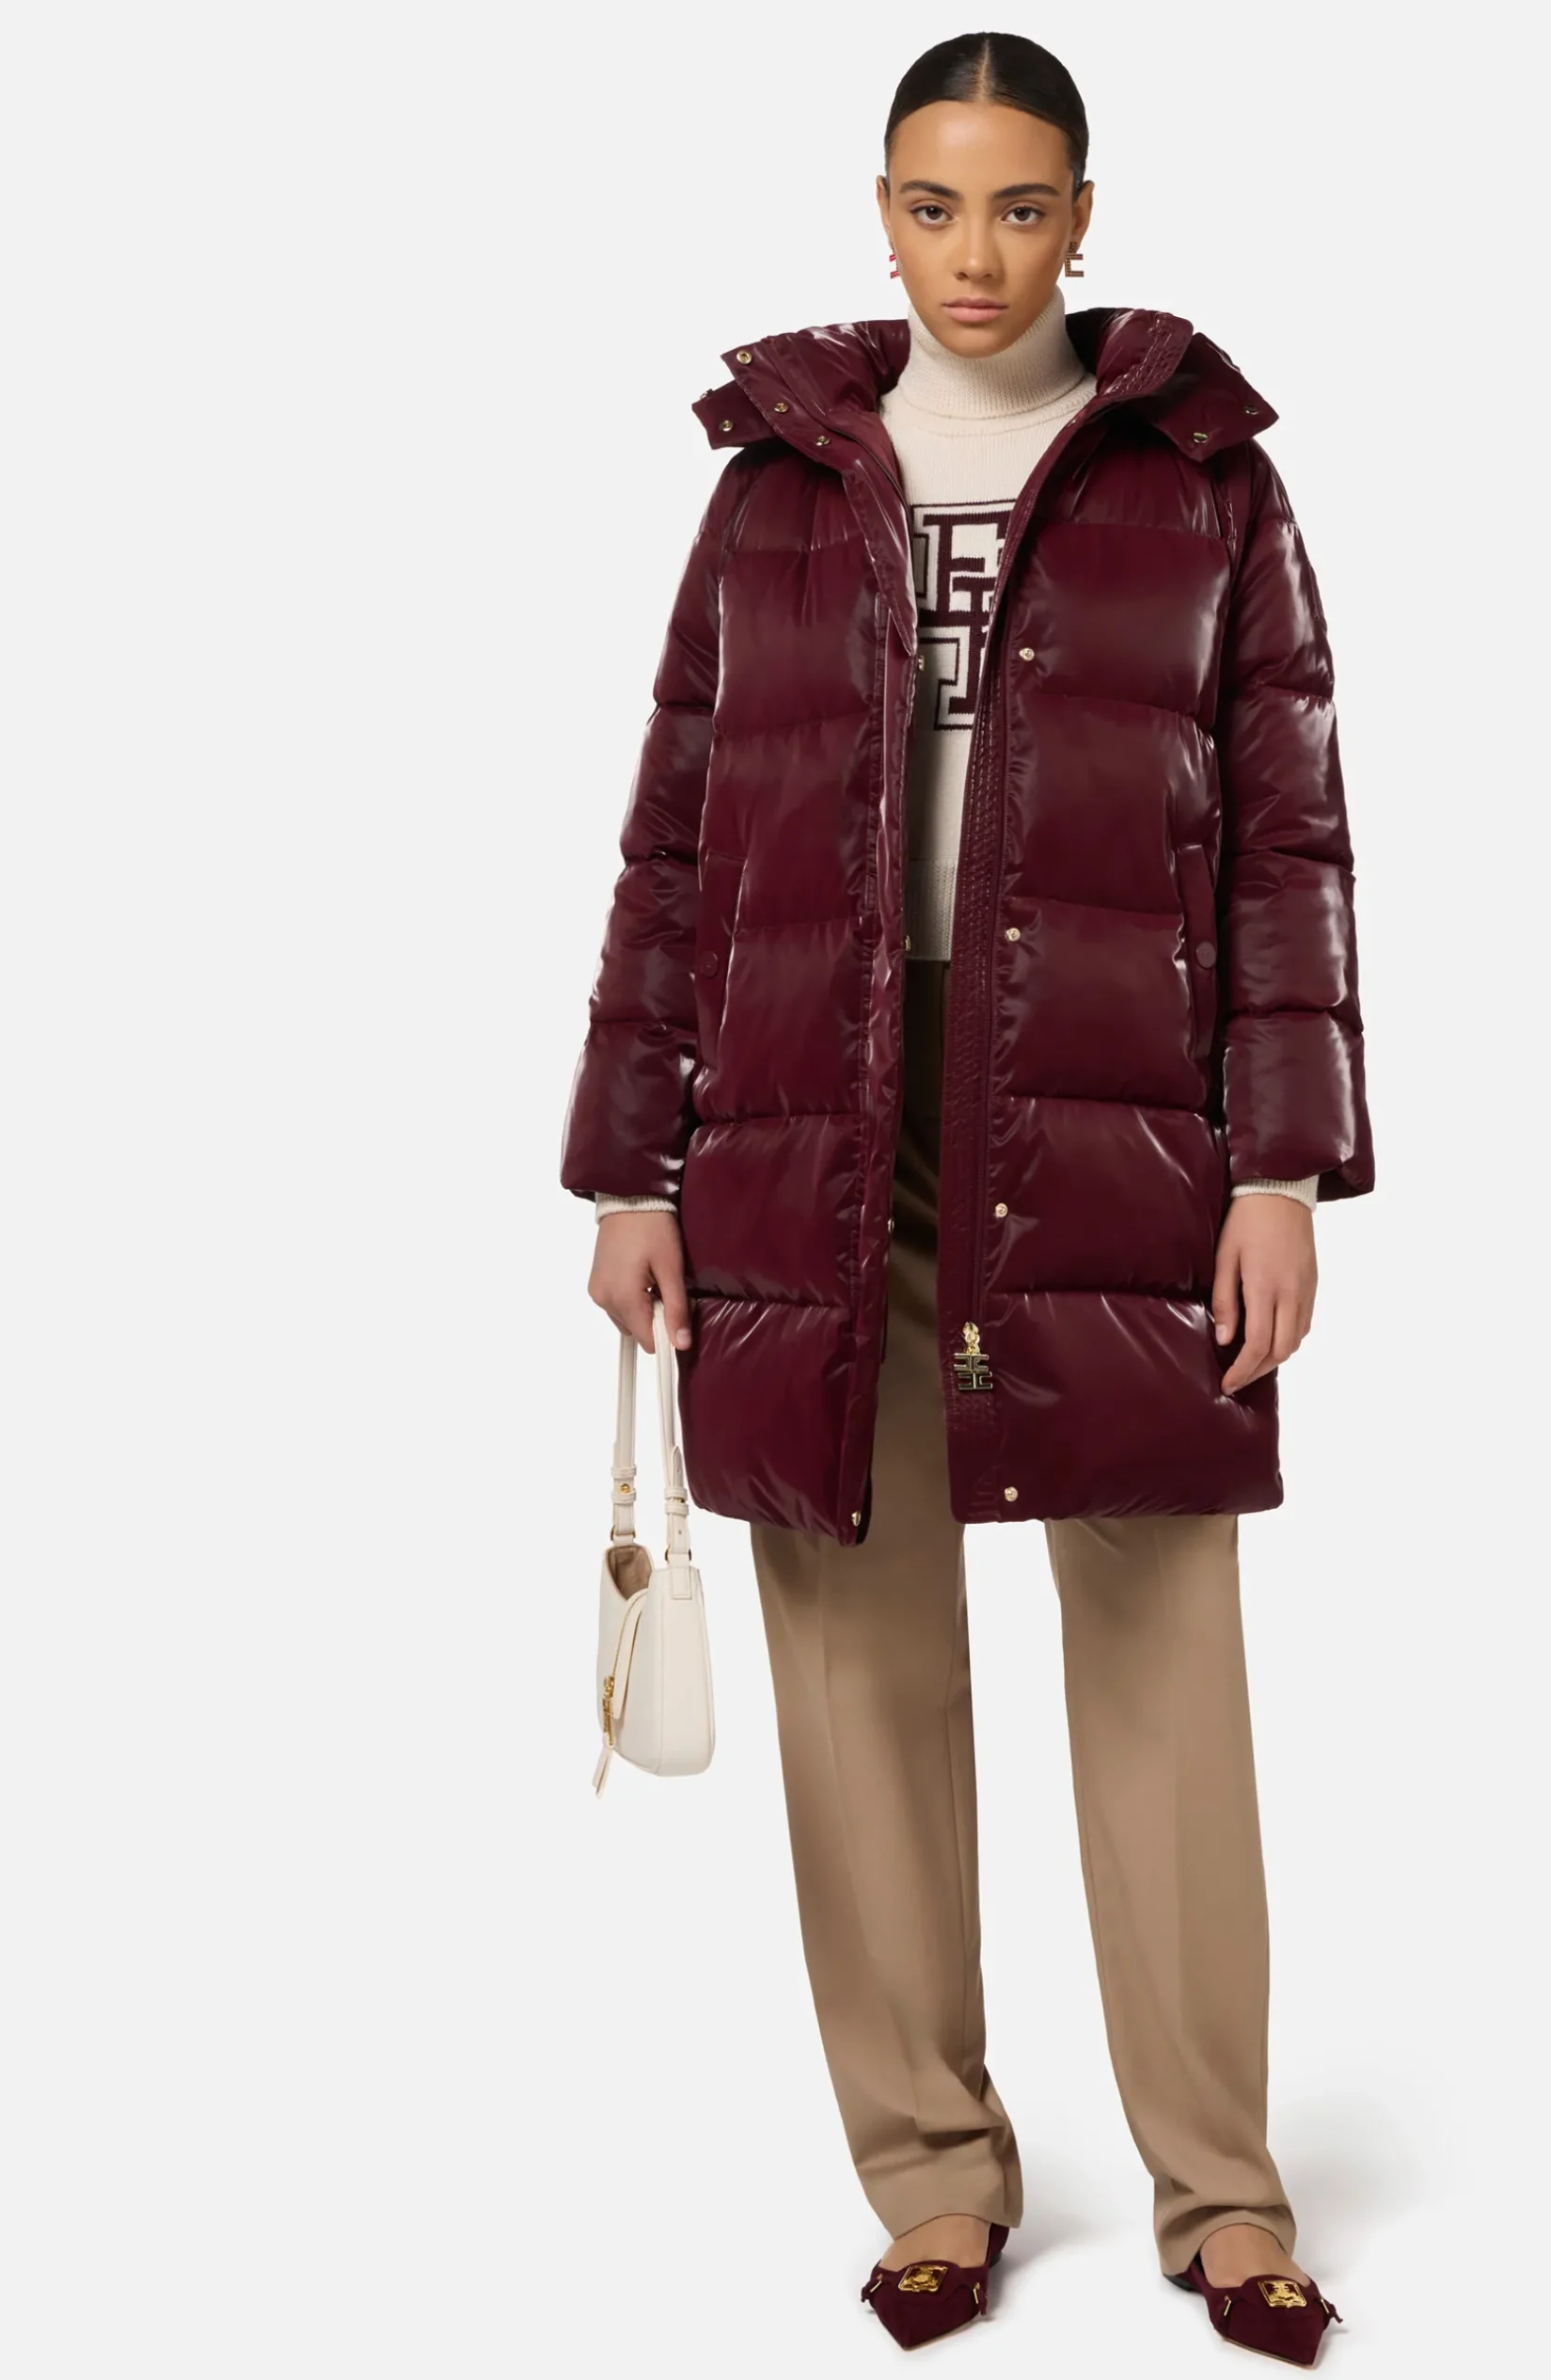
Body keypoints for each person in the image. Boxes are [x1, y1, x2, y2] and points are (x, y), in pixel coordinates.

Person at [561, 30, 1370, 2364]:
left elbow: (1289, 835)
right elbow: (676, 830)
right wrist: (626, 1161)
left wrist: (1281, 1160)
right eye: (934, 205)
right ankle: (928, 2170)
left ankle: (1220, 2193)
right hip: (810, 1125)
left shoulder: (1201, 481)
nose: (977, 255)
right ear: (881, 209)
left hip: (1115, 1126)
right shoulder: (774, 487)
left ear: (1082, 215)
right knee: (856, 1660)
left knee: (1160, 1656)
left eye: (1021, 207)